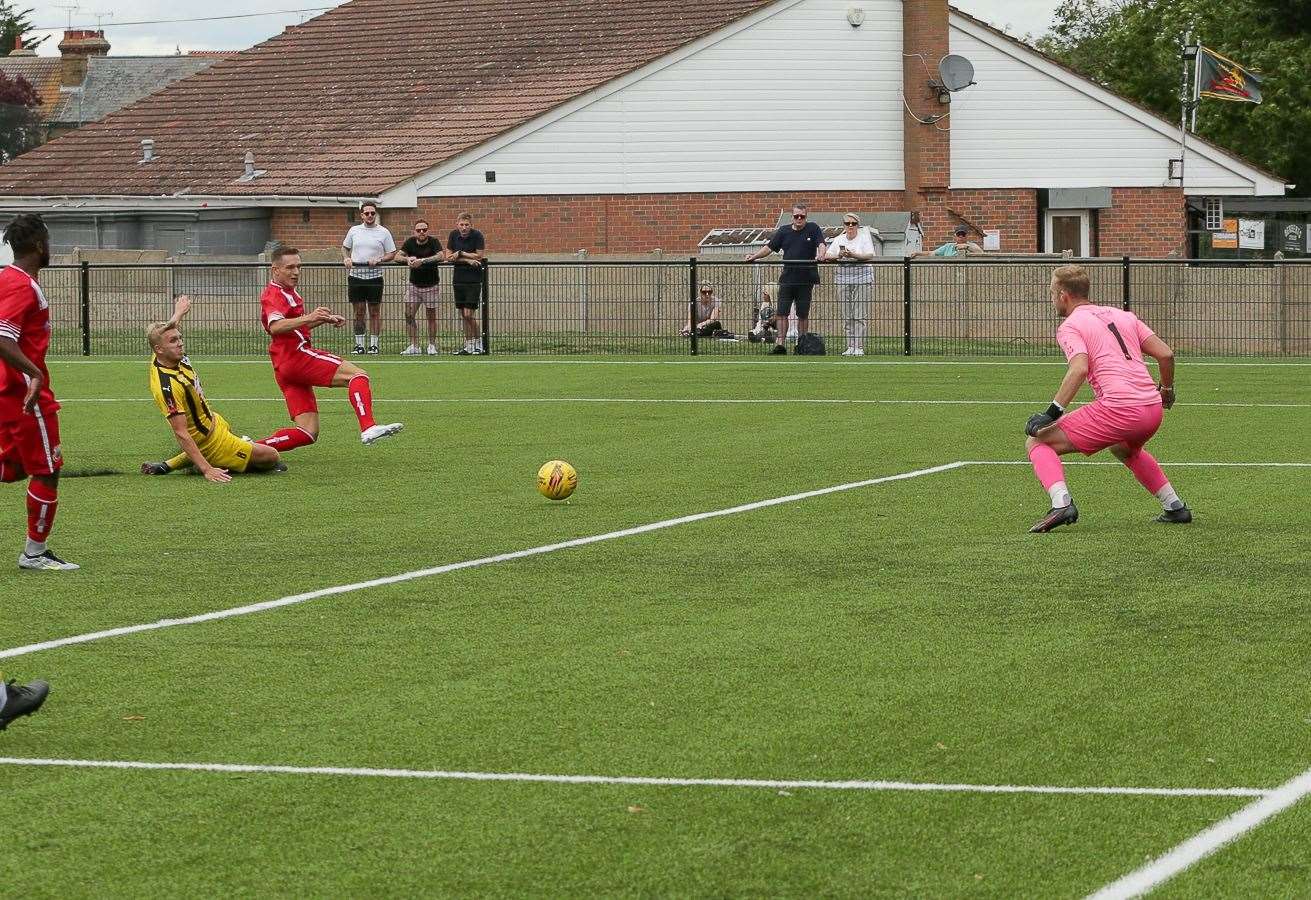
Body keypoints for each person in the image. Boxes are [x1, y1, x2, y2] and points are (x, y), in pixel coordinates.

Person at [1024, 264, 1191, 533]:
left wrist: (1052, 412)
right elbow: (1166, 355)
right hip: (1151, 409)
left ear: (1063, 295)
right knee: (1125, 448)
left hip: (1120, 410)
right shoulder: (1122, 315)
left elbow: (1079, 368)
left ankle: (1061, 504)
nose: (1052, 298)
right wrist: (1167, 391)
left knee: (1037, 441)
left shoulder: (1070, 325)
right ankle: (1175, 507)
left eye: (1052, 292)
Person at [259, 246, 403, 450]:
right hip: (296, 357)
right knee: (357, 376)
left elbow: (293, 326)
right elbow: (275, 327)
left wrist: (322, 319)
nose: (296, 272)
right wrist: (310, 316)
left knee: (308, 432)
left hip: (284, 365)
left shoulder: (286, 292)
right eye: (290, 267)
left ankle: (250, 448)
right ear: (275, 270)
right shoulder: (274, 294)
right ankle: (368, 427)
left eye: (298, 266)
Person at [0, 214, 77, 571]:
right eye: (48, 239)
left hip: (10, 389)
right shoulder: (20, 284)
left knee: (12, 467)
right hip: (25, 394)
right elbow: (3, 339)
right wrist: (33, 374)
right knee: (48, 468)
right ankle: (34, 552)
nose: (51, 246)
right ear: (37, 245)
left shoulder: (12, 278)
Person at [141, 296, 286, 482]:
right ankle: (209, 460)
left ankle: (167, 465)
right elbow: (181, 433)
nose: (180, 343)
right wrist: (207, 470)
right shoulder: (167, 387)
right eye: (173, 341)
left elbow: (161, 335)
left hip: (213, 421)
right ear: (159, 349)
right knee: (272, 457)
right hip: (210, 442)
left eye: (180, 338)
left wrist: (178, 314)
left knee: (231, 430)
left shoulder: (163, 355)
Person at [745, 203, 826, 355]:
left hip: (806, 280)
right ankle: (780, 345)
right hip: (787, 279)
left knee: (803, 314)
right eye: (797, 216)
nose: (799, 219)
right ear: (792, 217)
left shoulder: (813, 228)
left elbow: (821, 244)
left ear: (806, 217)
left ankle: (802, 345)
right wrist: (754, 256)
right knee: (782, 313)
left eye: (802, 216)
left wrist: (821, 254)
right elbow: (769, 248)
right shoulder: (784, 231)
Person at [342, 201, 397, 355]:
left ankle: (374, 345)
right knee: (358, 311)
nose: (370, 216)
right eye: (367, 213)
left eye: (373, 213)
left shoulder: (384, 232)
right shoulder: (354, 230)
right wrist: (346, 258)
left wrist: (380, 260)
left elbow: (392, 253)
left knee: (374, 312)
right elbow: (345, 248)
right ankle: (359, 345)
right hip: (356, 277)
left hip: (375, 277)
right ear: (362, 215)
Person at [825, 213, 878, 356]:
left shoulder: (864, 238)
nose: (850, 226)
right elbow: (828, 256)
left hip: (862, 278)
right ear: (843, 225)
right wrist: (840, 255)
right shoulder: (838, 239)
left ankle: (859, 347)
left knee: (859, 314)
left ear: (857, 225)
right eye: (847, 223)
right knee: (847, 314)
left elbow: (869, 255)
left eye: (853, 224)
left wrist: (853, 255)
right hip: (843, 279)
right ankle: (850, 346)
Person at [397, 219, 444, 356]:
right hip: (414, 286)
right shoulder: (410, 242)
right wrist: (408, 260)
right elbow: (397, 256)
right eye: (419, 230)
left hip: (431, 285)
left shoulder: (434, 242)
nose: (422, 232)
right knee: (409, 314)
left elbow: (441, 256)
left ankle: (432, 345)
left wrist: (422, 261)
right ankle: (414, 345)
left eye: (424, 230)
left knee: (431, 316)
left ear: (428, 231)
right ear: (415, 231)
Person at [446, 213, 485, 355]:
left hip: (473, 279)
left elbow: (479, 255)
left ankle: (479, 342)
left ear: (471, 225)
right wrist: (467, 260)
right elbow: (449, 257)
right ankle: (468, 345)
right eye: (461, 225)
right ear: (457, 225)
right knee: (463, 313)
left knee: (469, 314)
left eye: (466, 225)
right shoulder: (453, 235)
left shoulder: (477, 235)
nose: (464, 227)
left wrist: (461, 253)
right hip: (458, 278)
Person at [913, 224, 983, 258]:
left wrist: (967, 247)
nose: (961, 236)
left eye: (963, 234)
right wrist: (917, 253)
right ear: (955, 236)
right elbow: (931, 253)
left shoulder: (971, 245)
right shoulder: (948, 246)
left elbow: (981, 253)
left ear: (967, 236)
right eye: (959, 234)